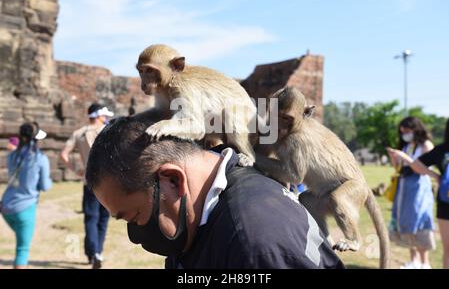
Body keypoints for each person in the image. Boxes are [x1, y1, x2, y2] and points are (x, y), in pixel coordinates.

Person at [85, 112, 345, 269]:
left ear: (173, 181)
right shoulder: (197, 214)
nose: (135, 233)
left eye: (133, 217)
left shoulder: (255, 243)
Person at [389, 118, 449, 269]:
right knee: (408, 222)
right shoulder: (408, 145)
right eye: (402, 132)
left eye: (407, 131)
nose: (405, 134)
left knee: (420, 222)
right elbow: (402, 166)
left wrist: (405, 158)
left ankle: (424, 262)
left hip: (419, 188)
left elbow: (422, 166)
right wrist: (395, 159)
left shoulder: (426, 145)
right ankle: (414, 261)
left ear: (416, 129)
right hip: (405, 187)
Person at [60, 103, 114, 269]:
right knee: (103, 219)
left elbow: (63, 155)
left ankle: (93, 253)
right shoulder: (107, 130)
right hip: (107, 182)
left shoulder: (79, 133)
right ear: (98, 115)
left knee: (91, 218)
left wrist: (77, 170)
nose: (106, 118)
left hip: (89, 181)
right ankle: (98, 251)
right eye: (104, 115)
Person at [0, 122, 52, 269]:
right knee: (22, 250)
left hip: (6, 207)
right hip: (25, 209)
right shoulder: (40, 158)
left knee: (21, 242)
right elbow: (45, 186)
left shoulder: (12, 156)